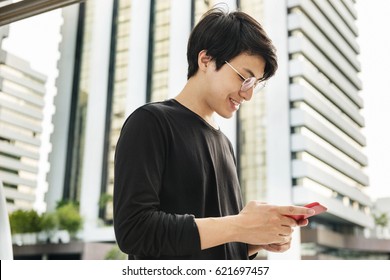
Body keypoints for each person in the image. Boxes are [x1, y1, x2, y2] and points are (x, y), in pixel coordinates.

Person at [113, 7, 314, 260]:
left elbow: (214, 243)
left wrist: (255, 241)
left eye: (255, 85)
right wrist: (241, 225)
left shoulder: (225, 144)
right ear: (205, 60)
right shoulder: (150, 122)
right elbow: (134, 231)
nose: (248, 94)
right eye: (245, 78)